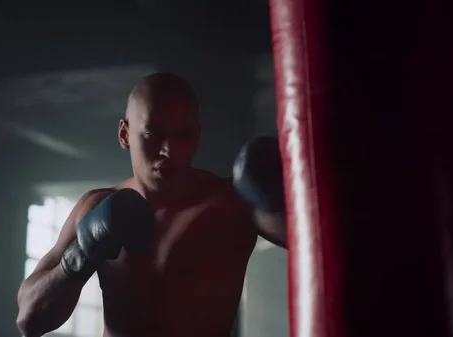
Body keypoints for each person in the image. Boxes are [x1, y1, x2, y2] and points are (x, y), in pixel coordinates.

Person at [16, 72, 287, 337]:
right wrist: (81, 253)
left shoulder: (232, 204)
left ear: (197, 137)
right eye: (153, 134)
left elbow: (314, 245)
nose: (169, 150)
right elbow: (29, 319)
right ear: (125, 135)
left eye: (183, 135)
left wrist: (279, 198)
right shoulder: (96, 205)